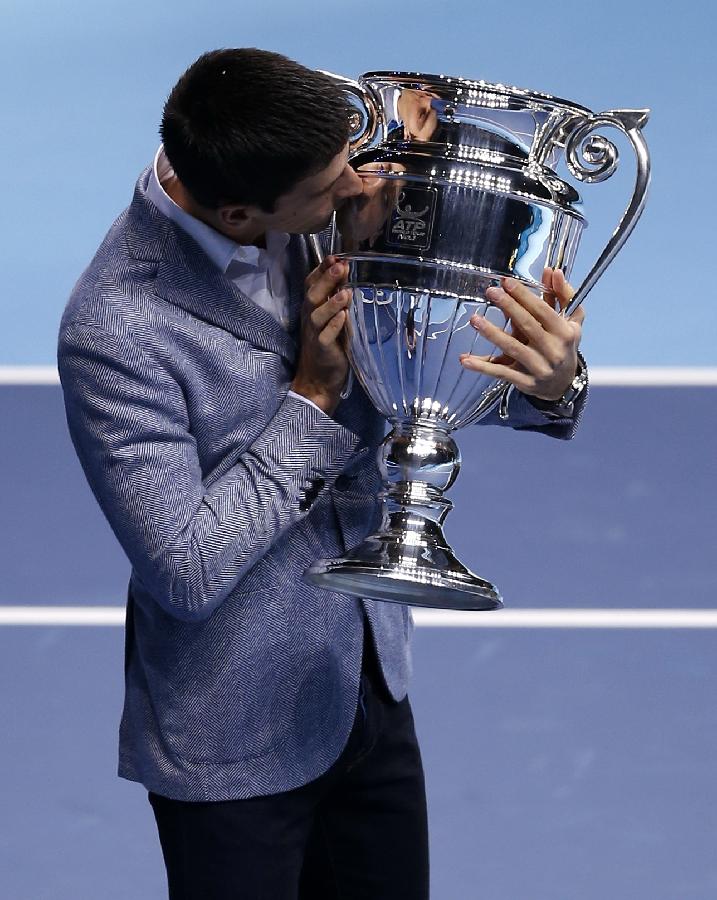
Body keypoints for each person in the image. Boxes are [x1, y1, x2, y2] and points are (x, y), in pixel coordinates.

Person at [57, 48, 587, 900]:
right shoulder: (118, 326)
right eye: (331, 186)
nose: (359, 188)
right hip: (232, 739)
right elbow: (186, 570)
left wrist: (553, 383)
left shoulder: (311, 176)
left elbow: (427, 371)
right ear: (239, 213)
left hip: (365, 689)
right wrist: (310, 396)